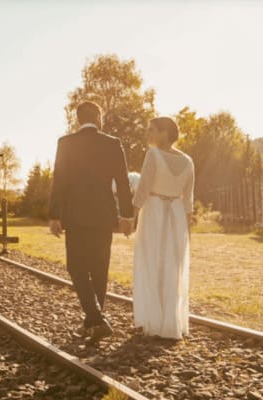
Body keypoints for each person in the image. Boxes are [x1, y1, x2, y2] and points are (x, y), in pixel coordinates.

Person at [48, 101, 134, 342]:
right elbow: (123, 181)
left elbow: (59, 181)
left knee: (75, 267)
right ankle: (94, 319)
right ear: (98, 117)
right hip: (104, 215)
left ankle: (95, 318)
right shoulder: (112, 143)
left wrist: (54, 215)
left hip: (74, 215)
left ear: (78, 119)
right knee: (99, 268)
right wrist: (126, 216)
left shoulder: (66, 143)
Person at [132, 117, 194, 340]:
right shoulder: (188, 161)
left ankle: (154, 322)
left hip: (155, 210)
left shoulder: (154, 155)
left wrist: (134, 214)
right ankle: (170, 322)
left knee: (152, 262)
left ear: (165, 133)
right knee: (172, 266)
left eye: (152, 130)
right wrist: (187, 229)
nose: (147, 133)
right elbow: (188, 200)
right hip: (176, 214)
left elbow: (143, 188)